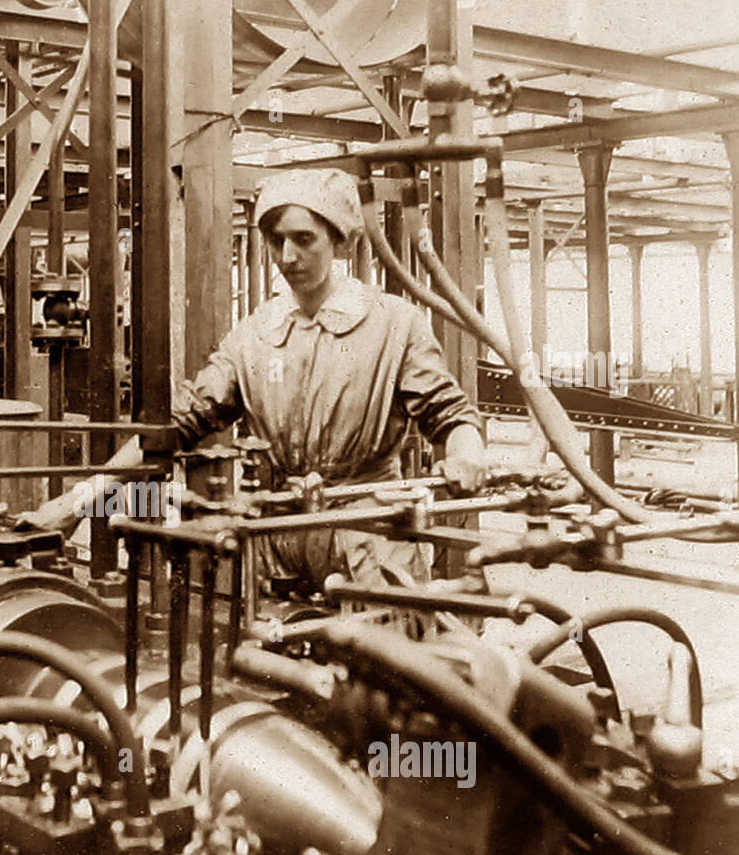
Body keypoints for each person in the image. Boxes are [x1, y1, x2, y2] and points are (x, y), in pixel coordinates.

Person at [24, 167, 487, 594]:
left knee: (382, 671)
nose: (288, 257)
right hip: (275, 541)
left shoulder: (394, 324)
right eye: (275, 239)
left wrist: (466, 455)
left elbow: (451, 416)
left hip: (369, 536)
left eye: (304, 239)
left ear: (339, 240)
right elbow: (175, 427)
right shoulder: (255, 334)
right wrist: (77, 502)